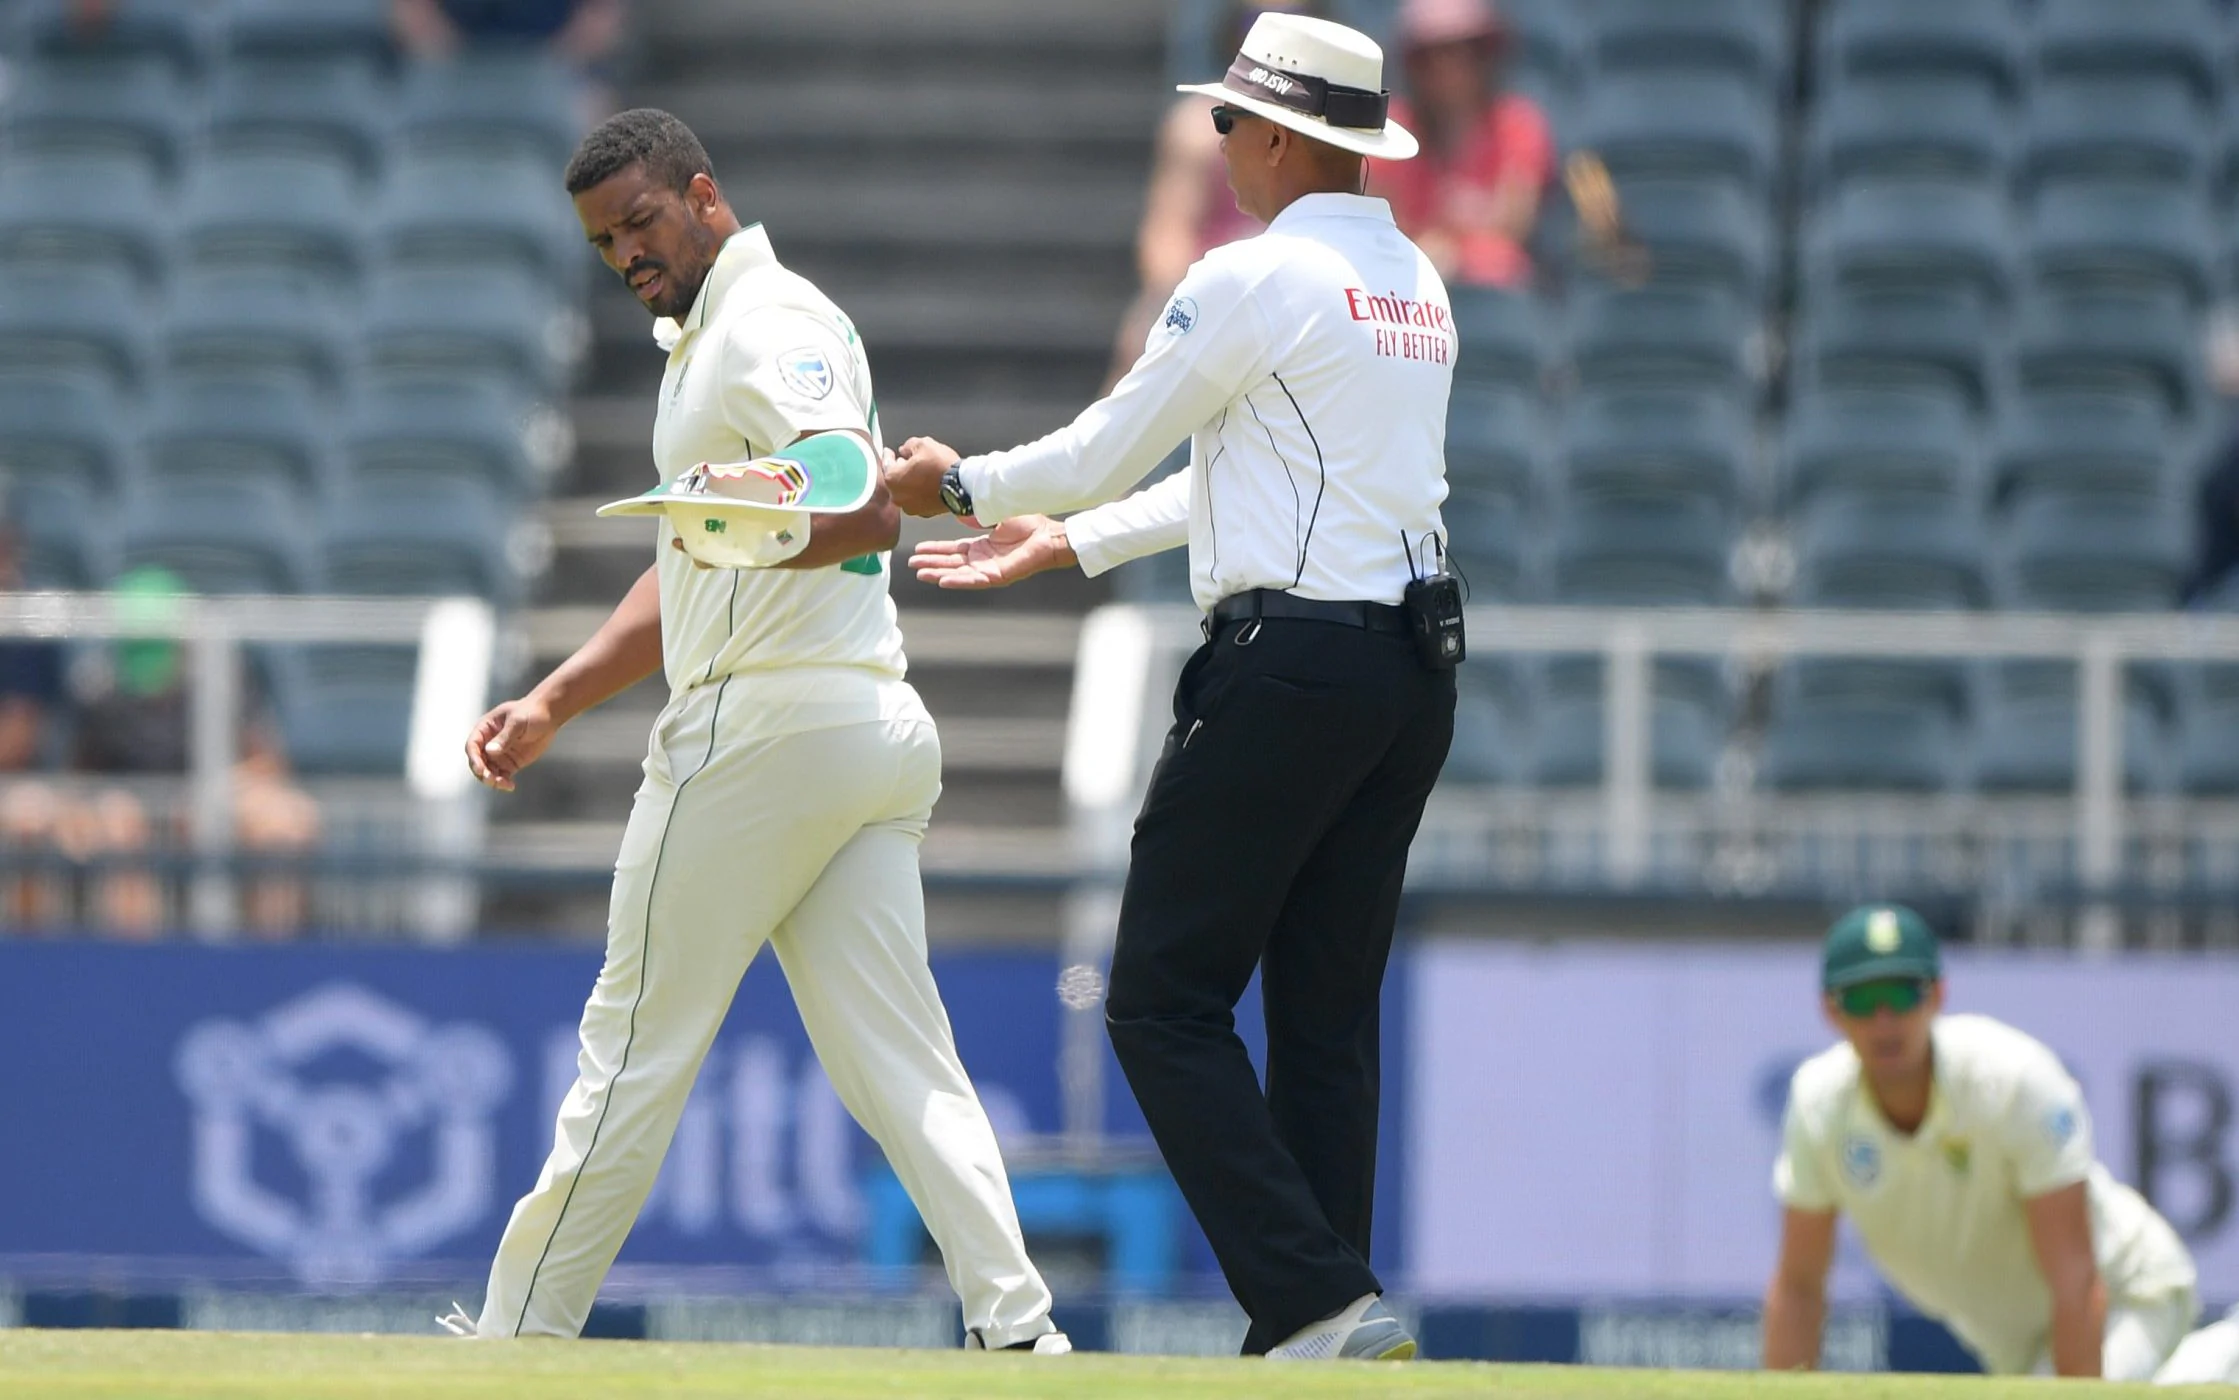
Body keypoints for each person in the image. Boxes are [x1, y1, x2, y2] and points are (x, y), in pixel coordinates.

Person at [888, 13, 1455, 1361]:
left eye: (1226, 123)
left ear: (1274, 134)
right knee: (1323, 1012)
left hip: (1287, 670)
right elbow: (1249, 474)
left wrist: (960, 484)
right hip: (1407, 672)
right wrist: (1072, 542)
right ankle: (1322, 1313)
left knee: (1156, 997)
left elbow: (1099, 446)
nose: (1217, 146)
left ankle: (1310, 1298)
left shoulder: (1251, 275)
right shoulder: (1413, 284)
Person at [452, 109, 1067, 1352]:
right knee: (904, 1065)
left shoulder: (766, 321)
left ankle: (513, 1345)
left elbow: (854, 496)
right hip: (862, 726)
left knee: (629, 1053)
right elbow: (696, 556)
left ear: (704, 195)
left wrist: (762, 514)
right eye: (603, 242)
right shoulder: (721, 333)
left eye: (642, 223)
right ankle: (1021, 1332)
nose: (627, 255)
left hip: (766, 729)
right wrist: (557, 696)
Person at [1763, 903, 2239, 1384]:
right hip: (2017, 1351)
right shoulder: (1818, 1105)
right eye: (1863, 999)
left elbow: (2076, 1282)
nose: (1885, 1020)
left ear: (1938, 995)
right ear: (1831, 1009)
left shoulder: (2011, 1080)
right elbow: (1800, 1288)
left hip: (2128, 1294)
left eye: (1904, 994)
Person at [1108, 0, 1318, 389]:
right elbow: (1166, 237)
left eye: (1295, 23)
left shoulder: (1333, 142)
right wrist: (1196, 305)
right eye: (1256, 23)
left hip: (1307, 300)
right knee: (1138, 341)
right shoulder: (1193, 127)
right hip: (1212, 300)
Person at [1371, 0, 1551, 290]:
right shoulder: (1393, 130)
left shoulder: (1518, 123)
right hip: (1408, 284)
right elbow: (1383, 225)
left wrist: (1453, 246)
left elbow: (1515, 223)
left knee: (1500, 263)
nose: (1449, 67)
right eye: (1431, 55)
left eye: (1465, 50)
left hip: (1495, 292)